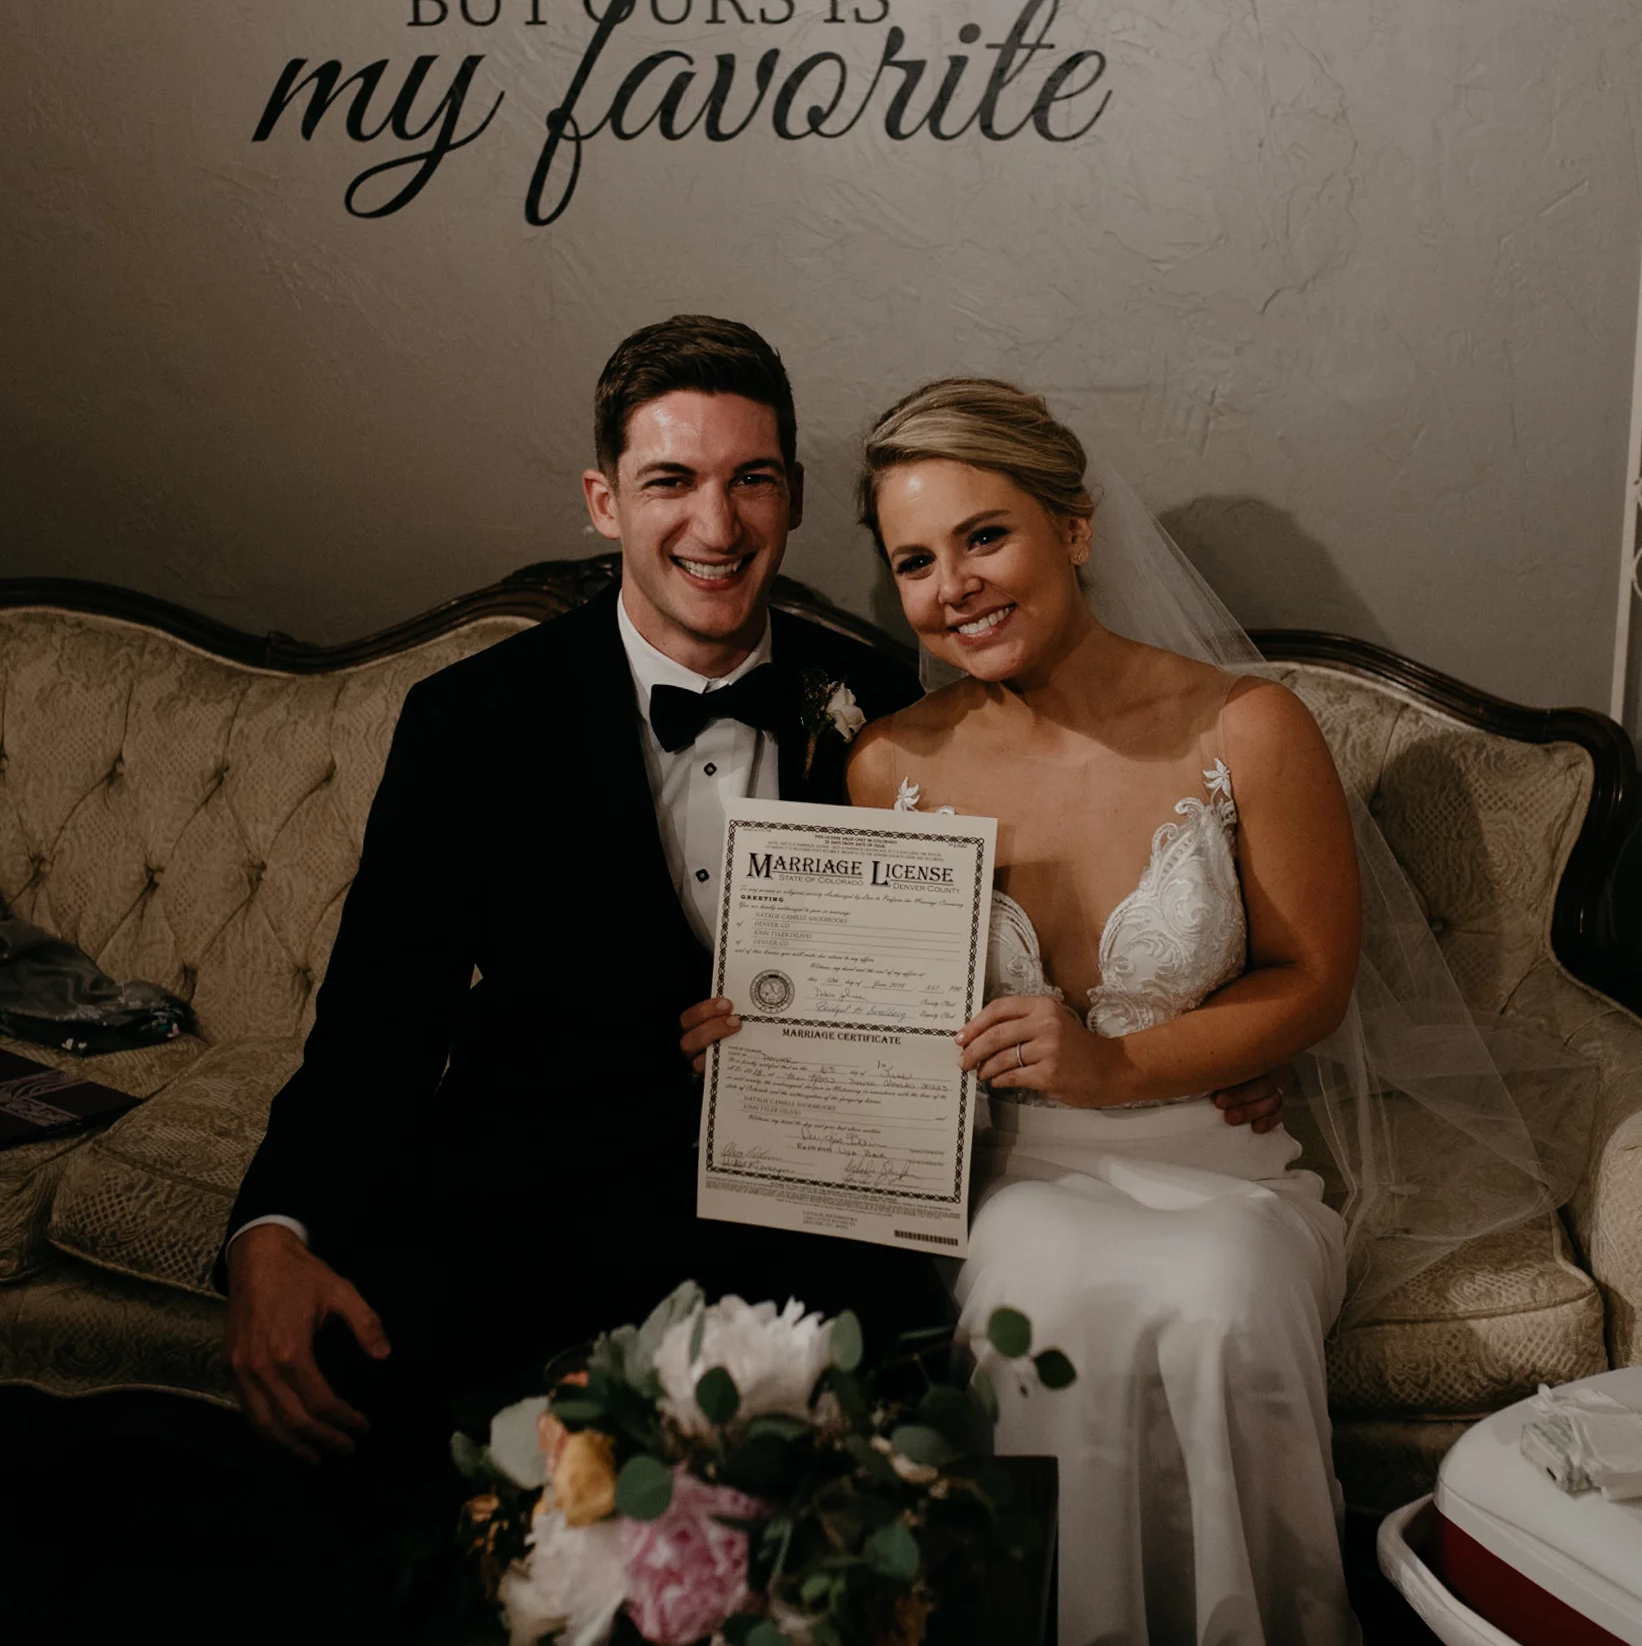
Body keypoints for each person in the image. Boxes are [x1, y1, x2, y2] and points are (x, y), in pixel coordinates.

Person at [222, 323, 1287, 1472]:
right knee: (363, 1436)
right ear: (603, 500)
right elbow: (380, 1018)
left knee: (914, 1467)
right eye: (669, 481)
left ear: (790, 498)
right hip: (542, 1200)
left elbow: (1032, 930)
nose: (716, 526)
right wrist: (271, 1230)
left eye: (752, 481)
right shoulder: (470, 721)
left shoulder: (889, 706)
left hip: (818, 1221)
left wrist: (1193, 1037)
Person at [683, 377, 1414, 1646]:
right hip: (1020, 1170)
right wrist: (760, 1038)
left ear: (1075, 530)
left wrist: (1123, 1065)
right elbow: (869, 1001)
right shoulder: (893, 763)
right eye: (914, 564)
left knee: (1218, 1304)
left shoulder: (1244, 728)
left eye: (985, 539)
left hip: (1217, 1153)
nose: (952, 590)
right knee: (1028, 1289)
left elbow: (1312, 979)